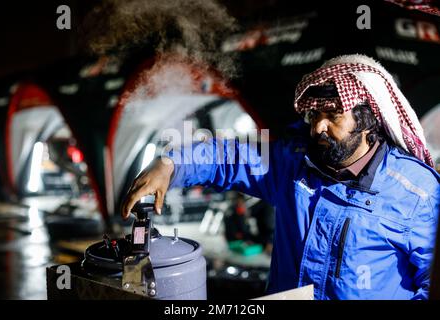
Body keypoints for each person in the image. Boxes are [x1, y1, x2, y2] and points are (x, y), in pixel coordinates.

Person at [122, 54, 440, 300]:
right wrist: (170, 163)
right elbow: (227, 156)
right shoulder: (294, 162)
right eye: (314, 115)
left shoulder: (417, 193)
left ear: (368, 119)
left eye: (332, 115)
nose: (318, 128)